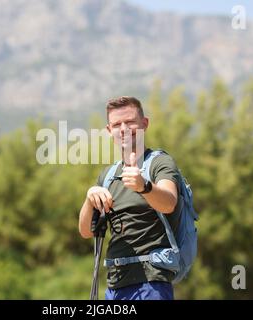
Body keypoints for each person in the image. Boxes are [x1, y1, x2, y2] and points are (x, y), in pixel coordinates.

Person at [78, 96, 182, 300]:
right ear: (109, 131)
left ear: (145, 124)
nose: (124, 128)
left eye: (130, 122)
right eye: (117, 124)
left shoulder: (160, 163)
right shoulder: (108, 176)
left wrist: (144, 186)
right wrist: (89, 198)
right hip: (115, 285)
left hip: (151, 283)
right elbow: (85, 231)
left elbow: (169, 203)